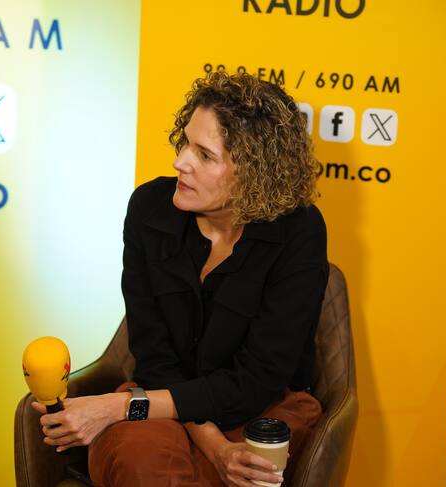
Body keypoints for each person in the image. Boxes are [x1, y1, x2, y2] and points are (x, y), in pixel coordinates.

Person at [32, 71, 329, 486]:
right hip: (161, 398)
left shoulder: (299, 231)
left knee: (245, 470)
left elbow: (256, 381)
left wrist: (116, 408)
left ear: (256, 174)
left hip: (262, 407)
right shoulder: (149, 209)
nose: (180, 162)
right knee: (141, 464)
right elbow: (154, 357)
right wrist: (214, 445)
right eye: (186, 142)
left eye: (205, 155)